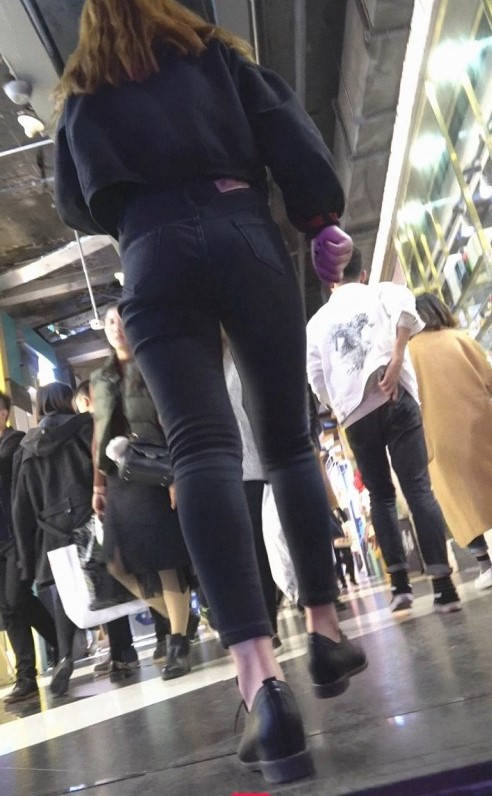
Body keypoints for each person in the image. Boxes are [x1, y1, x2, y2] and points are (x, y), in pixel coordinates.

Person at [54, 0, 366, 784]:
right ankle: (325, 629)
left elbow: (74, 203)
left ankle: (261, 686)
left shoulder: (85, 90)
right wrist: (319, 219)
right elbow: (289, 135)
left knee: (202, 453)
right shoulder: (214, 55)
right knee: (287, 440)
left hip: (151, 253)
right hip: (241, 227)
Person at [307, 249, 461, 614]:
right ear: (361, 274)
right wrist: (396, 357)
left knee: (381, 496)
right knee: (418, 487)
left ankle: (400, 588)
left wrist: (340, 403)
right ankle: (442, 586)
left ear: (330, 281)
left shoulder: (315, 324)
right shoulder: (381, 292)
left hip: (356, 414)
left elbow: (316, 379)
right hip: (396, 397)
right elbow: (407, 308)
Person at [90, 306, 192, 681]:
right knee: (114, 563)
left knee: (166, 560)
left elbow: (169, 417)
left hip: (154, 469)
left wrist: (175, 476)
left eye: (121, 320)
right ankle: (182, 618)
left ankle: (178, 642)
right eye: (109, 322)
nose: (115, 328)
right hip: (118, 477)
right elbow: (97, 433)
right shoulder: (99, 378)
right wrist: (97, 484)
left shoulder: (151, 362)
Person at [12, 382, 93, 696]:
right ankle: (122, 655)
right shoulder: (84, 428)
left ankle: (64, 656)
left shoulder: (26, 447)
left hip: (52, 529)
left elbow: (21, 506)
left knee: (63, 592)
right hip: (88, 518)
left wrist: (26, 555)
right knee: (107, 582)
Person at [410, 293, 492, 590]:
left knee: (459, 502)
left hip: (438, 438)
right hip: (481, 424)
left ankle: (485, 563)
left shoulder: (408, 354)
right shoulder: (460, 339)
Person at [0, 392, 59, 704]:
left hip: (16, 536)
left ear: (4, 414)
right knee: (11, 607)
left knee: (16, 600)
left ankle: (35, 667)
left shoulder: (15, 444)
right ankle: (32, 672)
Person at [223, 339, 280, 646]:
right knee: (239, 552)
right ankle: (255, 623)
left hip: (254, 467)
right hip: (221, 473)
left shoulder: (242, 355)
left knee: (259, 547)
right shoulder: (198, 363)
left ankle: (268, 622)